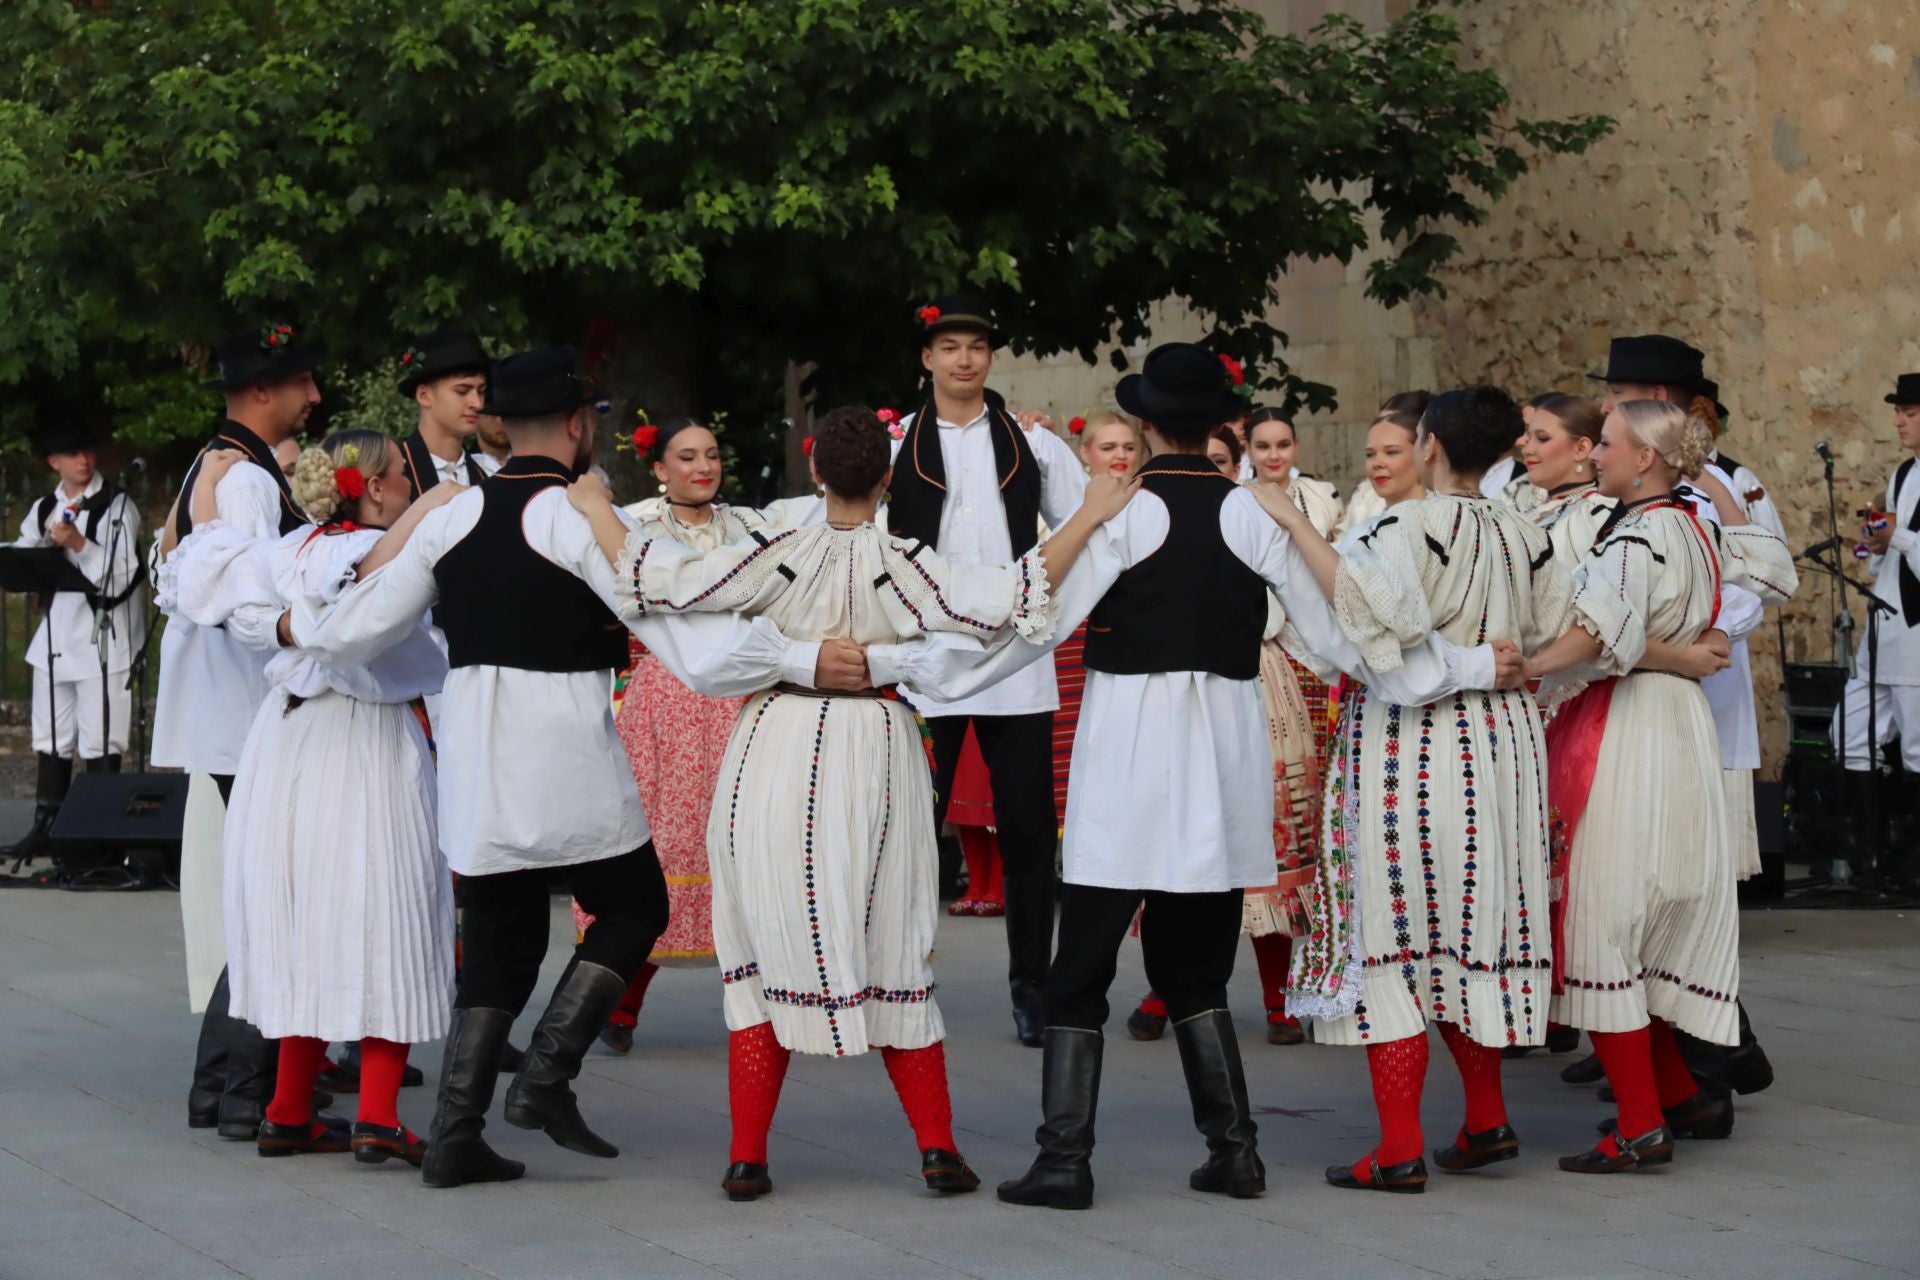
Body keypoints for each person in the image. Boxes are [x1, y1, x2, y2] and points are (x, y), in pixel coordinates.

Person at [296, 347, 857, 1189]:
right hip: (559, 742)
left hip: (477, 752)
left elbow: (350, 630)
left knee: (496, 945)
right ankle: (548, 1078)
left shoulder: (452, 514)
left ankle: (456, 1135)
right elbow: (679, 633)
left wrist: (285, 624)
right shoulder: (571, 515)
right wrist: (804, 661)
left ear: (499, 426)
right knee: (636, 907)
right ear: (572, 425)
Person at [568, 403, 1130, 1201]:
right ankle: (936, 1148)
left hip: (775, 745)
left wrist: (594, 506)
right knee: (893, 938)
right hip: (878, 748)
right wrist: (1093, 515)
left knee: (764, 941)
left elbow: (664, 578)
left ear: (817, 474)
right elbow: (1012, 594)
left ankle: (747, 1157)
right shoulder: (909, 561)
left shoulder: (773, 550)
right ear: (891, 478)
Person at [1258, 387, 1576, 1193]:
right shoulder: (1522, 530)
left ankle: (1398, 1144)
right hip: (1502, 740)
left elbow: (1372, 645)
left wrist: (1295, 529)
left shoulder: (1397, 528)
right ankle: (1485, 1117)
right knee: (1474, 922)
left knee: (1396, 926)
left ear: (1430, 443)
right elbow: (1543, 635)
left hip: (1414, 739)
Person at [160, 432, 460, 1163]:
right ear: (377, 487)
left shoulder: (285, 549)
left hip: (283, 743)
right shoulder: (354, 550)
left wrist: (202, 491)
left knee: (301, 916)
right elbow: (370, 569)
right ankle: (377, 1115)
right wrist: (435, 506)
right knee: (383, 908)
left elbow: (198, 562)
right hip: (360, 741)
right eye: (402, 475)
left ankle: (289, 1109)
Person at [1523, 400, 1794, 1174]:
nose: (1595, 456)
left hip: (1629, 728)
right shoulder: (1694, 522)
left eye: (1606, 445)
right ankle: (1676, 1095)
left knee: (1607, 912)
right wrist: (1687, 647)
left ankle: (1640, 1123)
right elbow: (1773, 567)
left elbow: (1595, 638)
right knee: (1647, 913)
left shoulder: (1638, 535)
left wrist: (1523, 666)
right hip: (1677, 724)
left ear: (1644, 458)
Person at [1589, 337, 1789, 1101]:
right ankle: (1667, 1045)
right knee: (1647, 891)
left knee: (1686, 894)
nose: (1610, 406)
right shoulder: (1622, 477)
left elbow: (1754, 580)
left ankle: (1710, 1065)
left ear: (1667, 403)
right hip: (1643, 705)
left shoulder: (1723, 482)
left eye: (1626, 393)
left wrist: (1694, 637)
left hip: (1697, 706)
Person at [888, 295, 1089, 1047]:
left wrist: (1049, 607)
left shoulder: (1032, 444)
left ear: (989, 358)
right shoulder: (898, 442)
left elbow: (1082, 529)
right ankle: (899, 969)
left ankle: (1032, 985)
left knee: (1030, 829)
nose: (964, 359)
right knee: (909, 819)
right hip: (927, 658)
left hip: (1012, 660)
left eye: (977, 347)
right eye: (951, 347)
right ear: (928, 359)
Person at [1127, 406, 1339, 1047]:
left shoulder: (1258, 517)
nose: (1210, 473)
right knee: (1176, 834)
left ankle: (1278, 997)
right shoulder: (1153, 517)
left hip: (1258, 674)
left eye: (1222, 464)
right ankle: (1166, 989)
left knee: (1267, 838)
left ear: (1233, 466)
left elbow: (1302, 606)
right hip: (1176, 683)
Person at [155, 323, 321, 1139]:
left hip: (223, 715)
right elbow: (253, 600)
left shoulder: (215, 463)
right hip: (247, 715)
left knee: (262, 897)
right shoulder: (246, 478)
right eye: (302, 384)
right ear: (265, 390)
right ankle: (243, 1089)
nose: (314, 398)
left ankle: (221, 1082)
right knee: (271, 902)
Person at [586, 417, 755, 1054]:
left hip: (737, 697)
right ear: (660, 469)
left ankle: (764, 1008)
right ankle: (619, 1002)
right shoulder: (630, 524)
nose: (702, 466)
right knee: (663, 851)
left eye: (711, 454)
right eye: (686, 457)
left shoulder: (746, 525)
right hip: (665, 701)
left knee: (743, 848)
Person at [2, 422, 147, 867]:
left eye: (87, 450)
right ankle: (50, 826)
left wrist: (81, 544)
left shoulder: (118, 505)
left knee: (102, 739)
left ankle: (100, 834)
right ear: (54, 463)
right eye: (72, 454)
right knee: (51, 735)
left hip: (105, 641)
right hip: (56, 638)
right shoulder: (46, 504)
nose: (84, 460)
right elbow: (24, 552)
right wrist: (45, 543)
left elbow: (122, 575)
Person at [1832, 374, 1920, 866]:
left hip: (1916, 637)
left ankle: (1909, 861)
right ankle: (1869, 853)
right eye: (1899, 411)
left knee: (1916, 750)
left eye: (1910, 412)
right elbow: (1886, 556)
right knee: (1850, 733)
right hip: (1883, 629)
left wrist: (1900, 535)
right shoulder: (1904, 475)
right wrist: (1876, 540)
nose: (1899, 421)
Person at [395, 328, 491, 492]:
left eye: (481, 392)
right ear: (424, 396)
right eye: (462, 391)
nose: (477, 403)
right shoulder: (395, 475)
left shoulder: (487, 475)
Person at [1333, 404, 1426, 539]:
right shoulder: (1361, 531)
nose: (1377, 463)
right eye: (1370, 454)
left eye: (1391, 452)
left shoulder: (1445, 524)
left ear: (1422, 454)